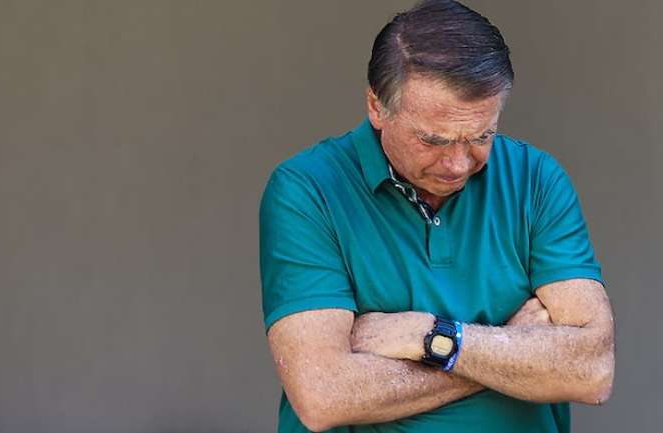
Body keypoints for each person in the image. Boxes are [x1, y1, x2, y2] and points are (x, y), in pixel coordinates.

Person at [258, 0, 615, 432]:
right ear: (376, 107)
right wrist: (509, 345)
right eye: (433, 140)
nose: (458, 164)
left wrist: (428, 336)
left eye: (481, 136)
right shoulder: (308, 190)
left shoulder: (536, 179)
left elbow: (591, 370)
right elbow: (325, 395)